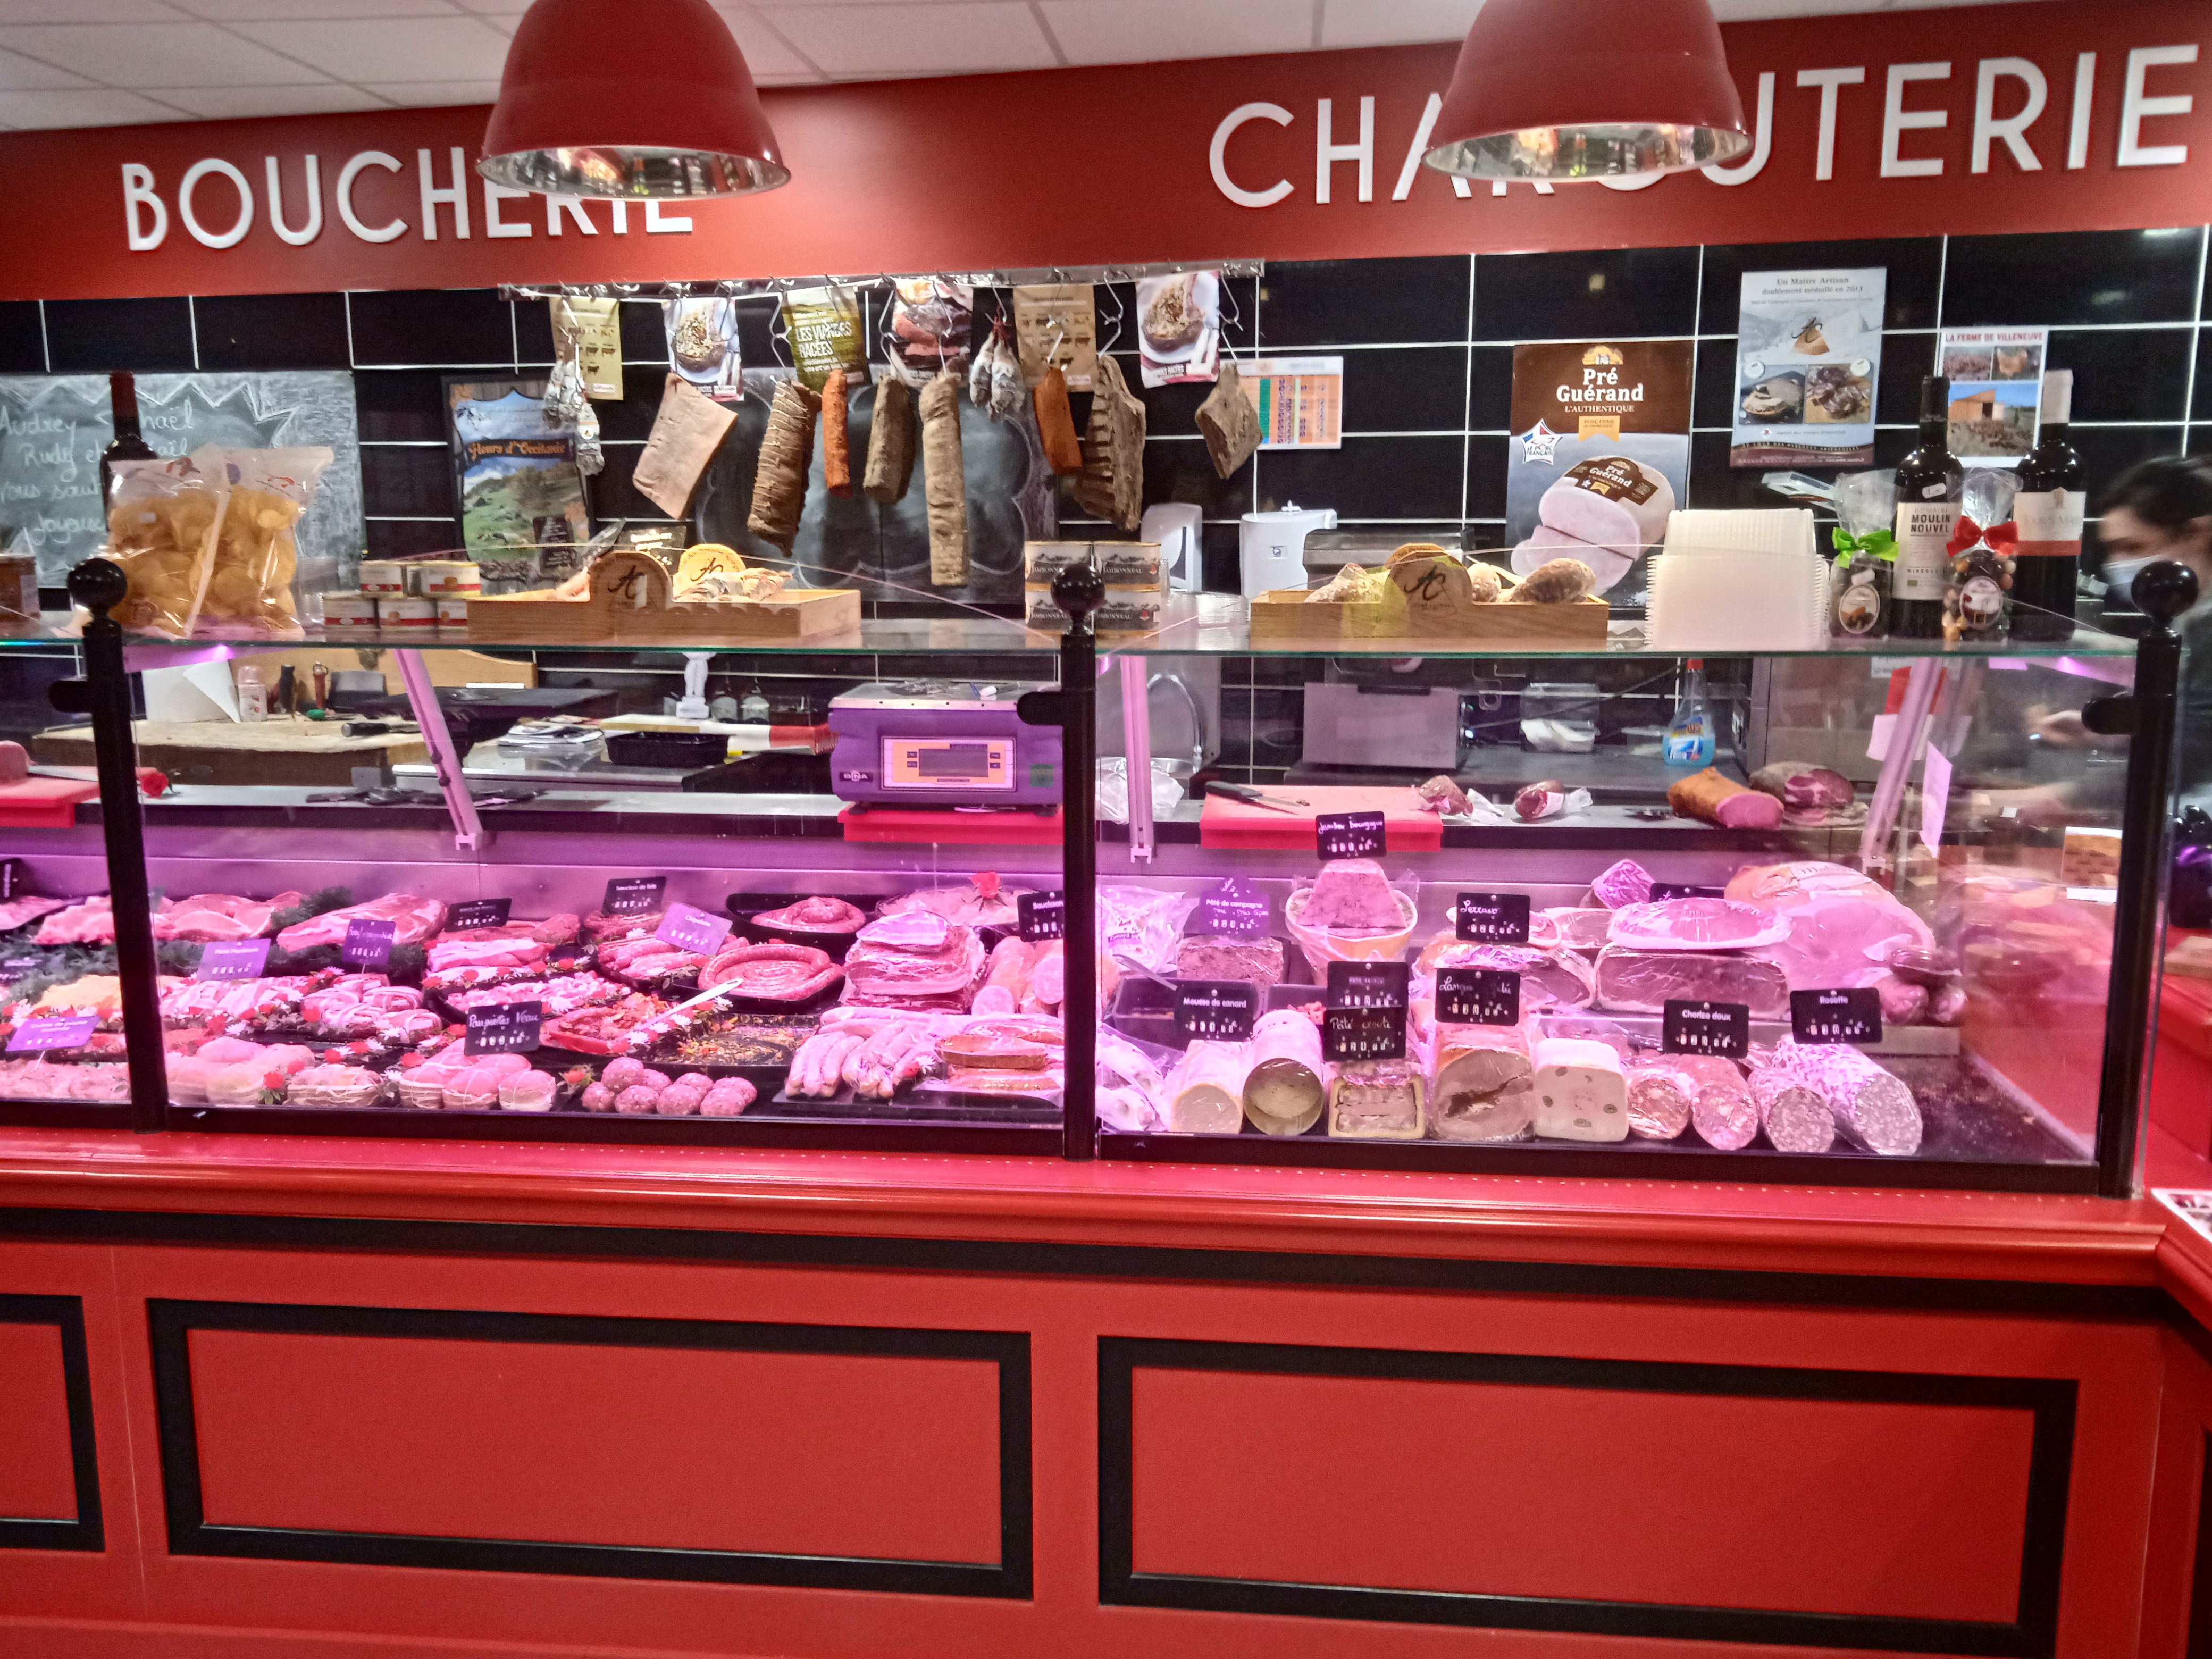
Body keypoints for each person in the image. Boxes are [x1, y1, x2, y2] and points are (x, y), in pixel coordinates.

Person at [2021, 455, 2212, 803]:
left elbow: (2190, 755)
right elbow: (2184, 722)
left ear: (2197, 535)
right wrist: (2104, 731)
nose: (2118, 564)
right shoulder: (2191, 615)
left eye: (2133, 547)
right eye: (2112, 549)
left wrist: (2041, 801)